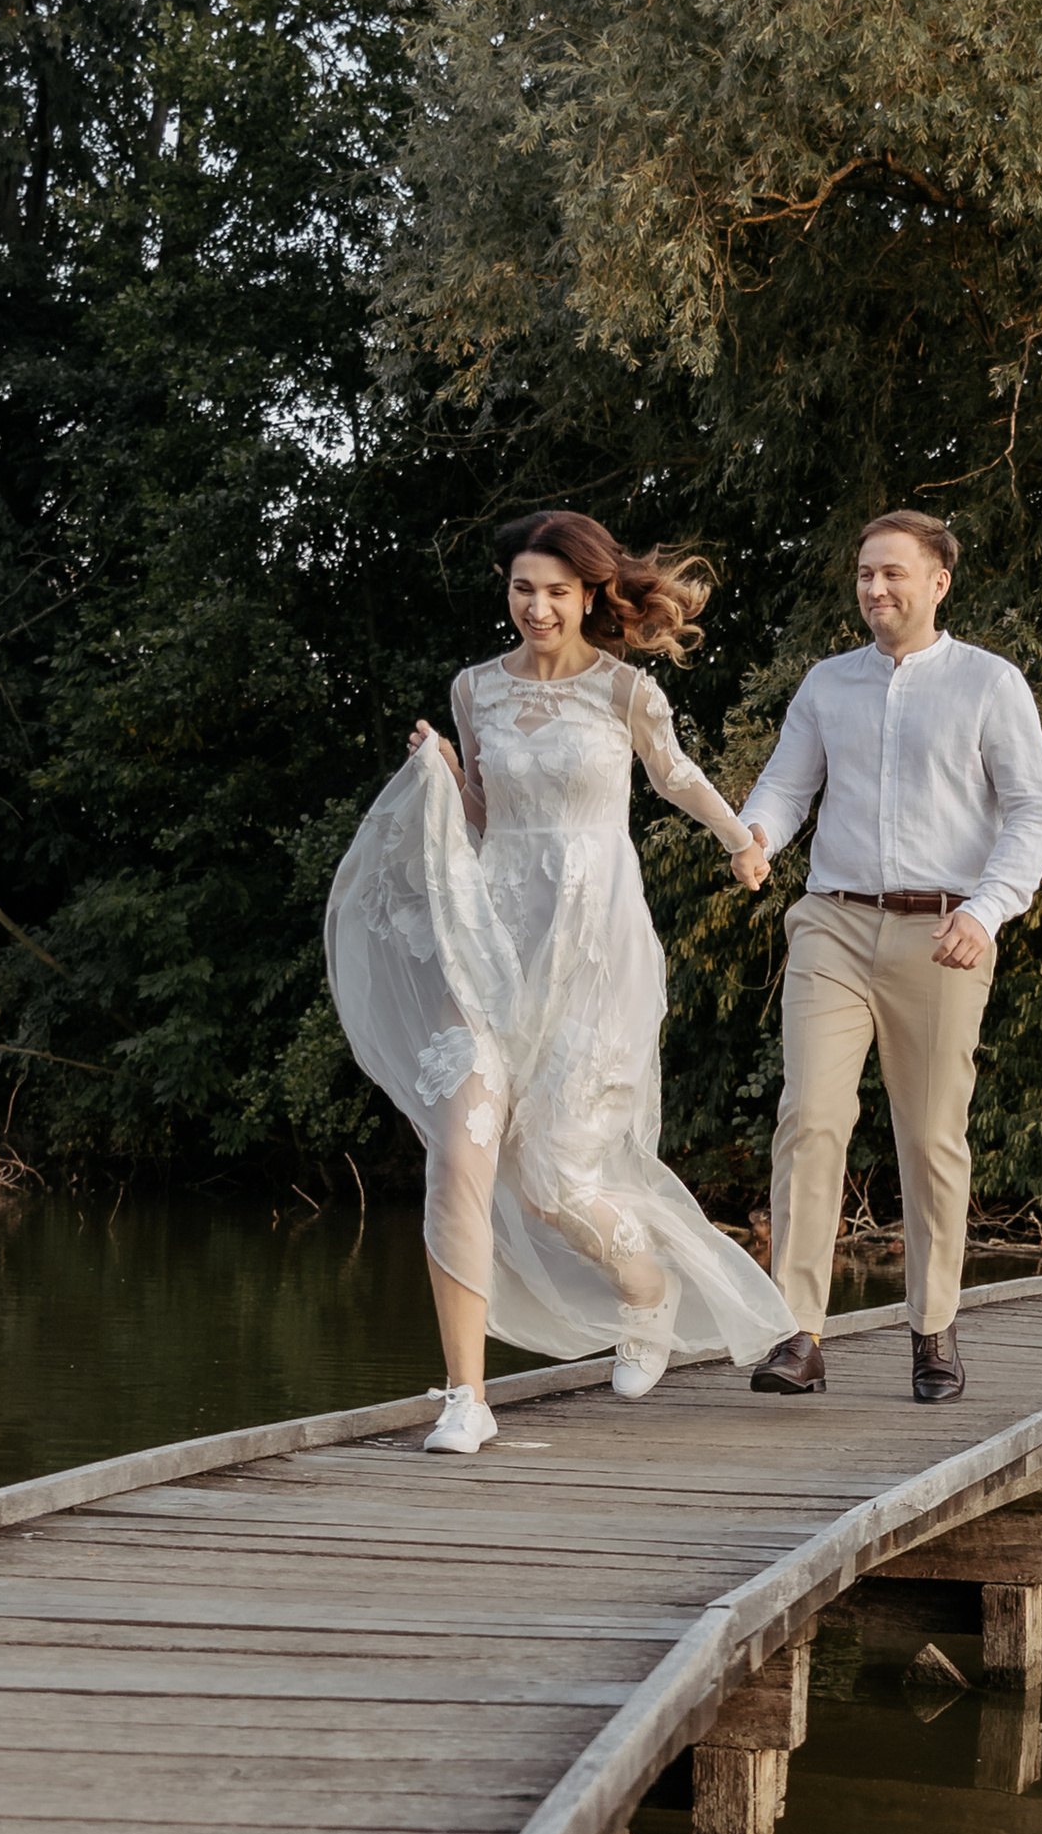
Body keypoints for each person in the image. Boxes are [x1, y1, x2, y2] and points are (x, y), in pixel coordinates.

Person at [323, 509, 790, 1451]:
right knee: (460, 1150)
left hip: (595, 949)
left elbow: (675, 776)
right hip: (492, 944)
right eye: (522, 590)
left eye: (556, 593)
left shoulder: (625, 692)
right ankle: (466, 1397)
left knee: (552, 1180)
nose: (537, 607)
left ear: (589, 598)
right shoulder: (474, 690)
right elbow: (485, 820)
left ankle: (645, 1289)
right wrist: (444, 773)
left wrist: (741, 838)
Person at [739, 511, 1042, 1404]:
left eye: (891, 574)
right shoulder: (826, 685)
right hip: (833, 923)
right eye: (864, 575)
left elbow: (1035, 811)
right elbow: (786, 784)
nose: (874, 590)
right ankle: (797, 1333)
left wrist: (988, 910)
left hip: (942, 934)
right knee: (810, 1118)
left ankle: (932, 1329)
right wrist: (758, 835)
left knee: (929, 1136)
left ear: (937, 583)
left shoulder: (990, 685)